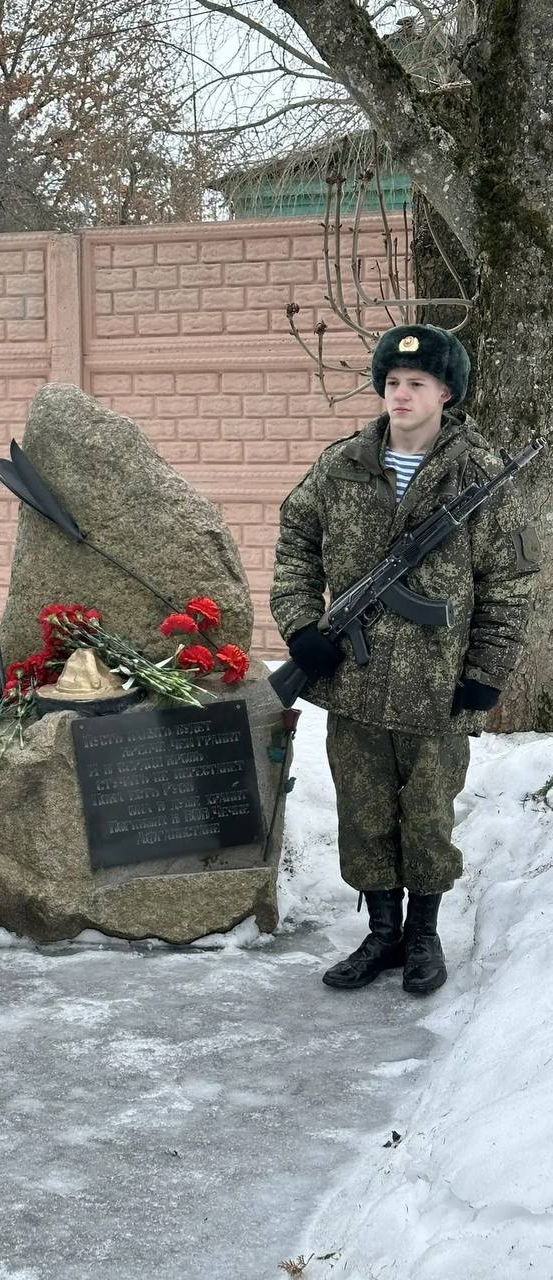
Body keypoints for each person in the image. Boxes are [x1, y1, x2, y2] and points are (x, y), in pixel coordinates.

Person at [270, 323, 539, 994]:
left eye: (416, 384)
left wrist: (485, 673)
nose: (401, 395)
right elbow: (296, 541)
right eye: (392, 382)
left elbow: (510, 586)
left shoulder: (478, 475)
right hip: (353, 681)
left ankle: (423, 936)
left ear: (446, 393)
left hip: (437, 687)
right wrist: (303, 623)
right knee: (363, 813)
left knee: (426, 815)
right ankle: (382, 935)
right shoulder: (342, 465)